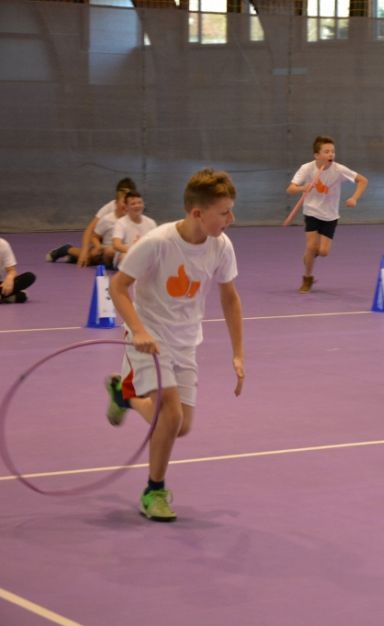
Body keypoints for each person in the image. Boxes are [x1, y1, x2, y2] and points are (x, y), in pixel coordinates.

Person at [106, 168, 245, 522]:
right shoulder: (157, 242)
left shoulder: (221, 246)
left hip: (186, 342)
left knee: (181, 426)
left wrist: (237, 353)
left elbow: (230, 297)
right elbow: (118, 287)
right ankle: (154, 491)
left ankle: (125, 396)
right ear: (198, 213)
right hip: (149, 339)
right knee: (170, 414)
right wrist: (138, 330)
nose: (231, 219)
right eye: (224, 212)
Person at [284, 135, 368, 293]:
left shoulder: (339, 170)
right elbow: (290, 189)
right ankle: (307, 278)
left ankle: (310, 256)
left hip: (330, 215)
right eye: (326, 151)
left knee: (323, 252)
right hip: (312, 211)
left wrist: (354, 198)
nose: (331, 154)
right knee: (311, 246)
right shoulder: (307, 168)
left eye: (333, 151)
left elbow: (363, 180)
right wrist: (303, 188)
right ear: (317, 155)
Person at [47, 178, 136, 265]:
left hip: (121, 243)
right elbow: (89, 231)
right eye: (123, 199)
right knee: (92, 256)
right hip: (105, 242)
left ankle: (74, 257)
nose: (126, 203)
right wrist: (84, 252)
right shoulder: (109, 209)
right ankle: (66, 249)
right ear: (117, 198)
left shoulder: (135, 207)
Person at [112, 190, 158, 270]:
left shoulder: (151, 223)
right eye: (133, 204)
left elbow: (157, 243)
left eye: (139, 203)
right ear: (126, 207)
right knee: (126, 257)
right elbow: (116, 245)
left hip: (145, 254)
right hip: (126, 253)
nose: (137, 206)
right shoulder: (120, 223)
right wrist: (136, 250)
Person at [0, 237, 36, 304]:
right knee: (21, 296)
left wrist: (9, 278)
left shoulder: (2, 245)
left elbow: (11, 270)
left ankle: (3, 296)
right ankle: (6, 297)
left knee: (29, 277)